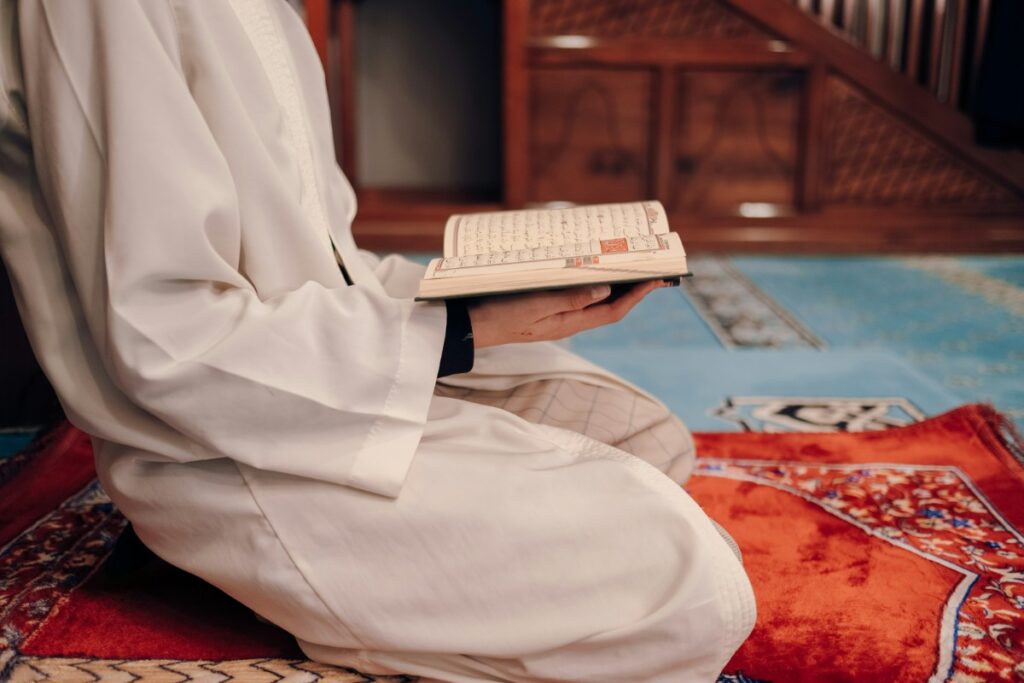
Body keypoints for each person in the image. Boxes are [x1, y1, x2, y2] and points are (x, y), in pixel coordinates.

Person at [0, 1, 755, 681]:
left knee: (645, 435)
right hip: (221, 446)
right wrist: (461, 328)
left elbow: (325, 259)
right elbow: (165, 341)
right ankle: (285, 585)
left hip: (329, 371)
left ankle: (373, 588)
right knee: (692, 588)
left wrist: (477, 286)